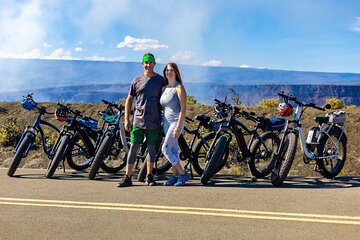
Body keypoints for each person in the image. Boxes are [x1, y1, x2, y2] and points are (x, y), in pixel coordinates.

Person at [118, 53, 166, 187]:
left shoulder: (160, 80)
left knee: (151, 149)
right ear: (142, 64)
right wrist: (126, 119)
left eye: (150, 62)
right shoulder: (137, 80)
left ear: (154, 64)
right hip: (138, 120)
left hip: (154, 120)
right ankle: (127, 177)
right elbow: (129, 99)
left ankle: (149, 177)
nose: (148, 64)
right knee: (134, 148)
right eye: (145, 62)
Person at [160, 63, 189, 186]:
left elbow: (183, 109)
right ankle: (175, 175)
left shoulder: (179, 88)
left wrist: (178, 126)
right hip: (166, 123)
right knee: (173, 150)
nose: (169, 72)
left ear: (176, 72)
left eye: (171, 70)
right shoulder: (164, 88)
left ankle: (183, 174)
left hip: (176, 122)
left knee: (165, 149)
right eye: (167, 70)